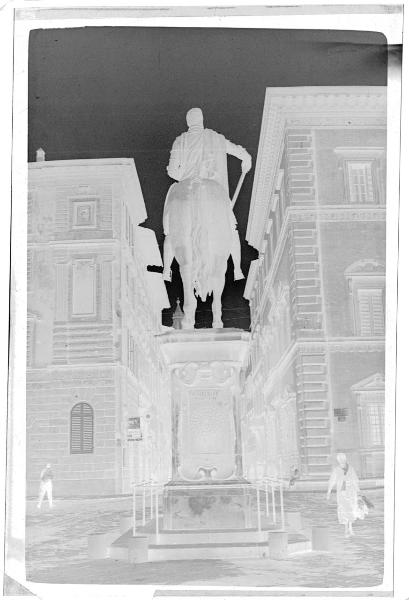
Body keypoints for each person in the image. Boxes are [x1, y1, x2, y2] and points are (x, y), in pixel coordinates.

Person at [162, 107, 251, 283]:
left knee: (171, 232)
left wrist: (184, 176)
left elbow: (172, 171)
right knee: (231, 227)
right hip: (212, 186)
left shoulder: (179, 141)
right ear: (202, 120)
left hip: (186, 184)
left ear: (188, 122)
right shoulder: (215, 137)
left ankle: (166, 269)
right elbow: (240, 152)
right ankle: (237, 268)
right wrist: (246, 159)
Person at [326, 453, 367, 537]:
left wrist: (358, 491)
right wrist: (328, 492)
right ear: (338, 460)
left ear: (344, 459)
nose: (341, 461)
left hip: (351, 493)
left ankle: (351, 529)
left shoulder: (351, 469)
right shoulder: (337, 470)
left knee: (351, 509)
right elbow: (332, 481)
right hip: (341, 493)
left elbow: (355, 481)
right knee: (343, 510)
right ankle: (346, 529)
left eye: (342, 459)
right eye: (339, 459)